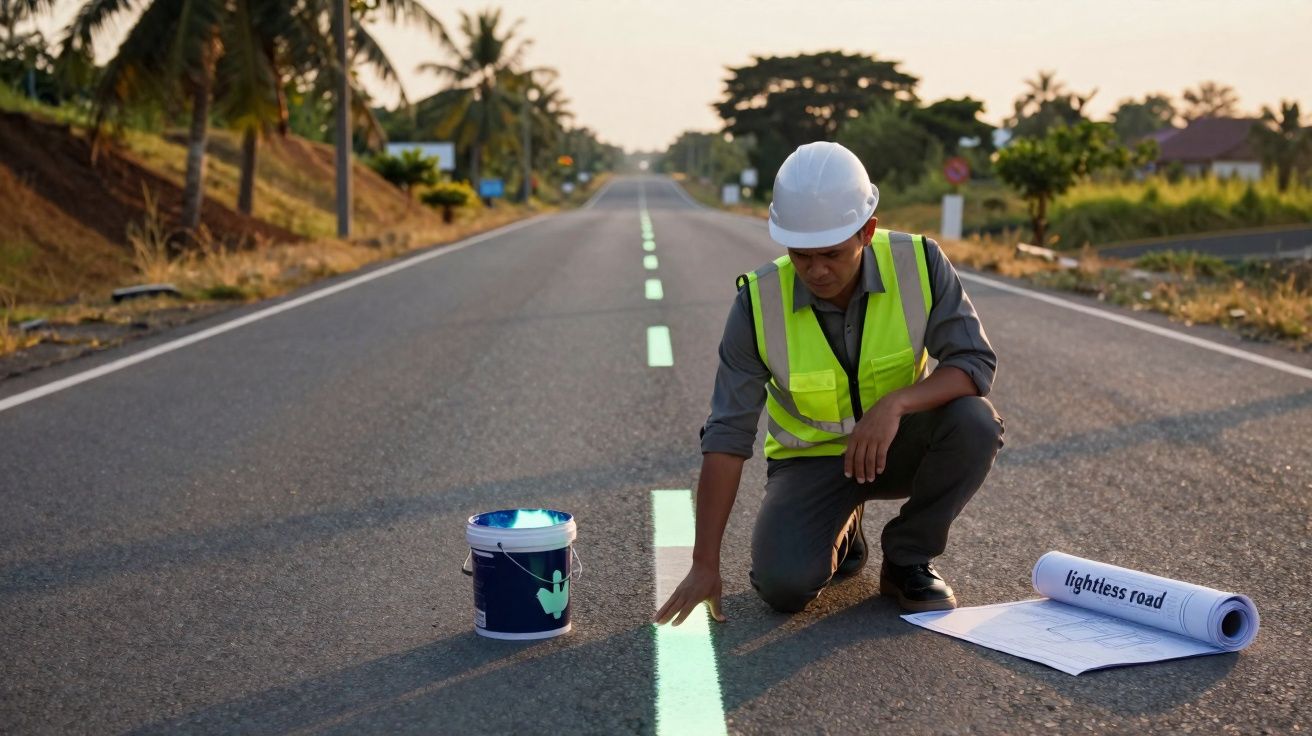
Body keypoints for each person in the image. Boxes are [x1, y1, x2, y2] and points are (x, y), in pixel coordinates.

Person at [654, 141, 1003, 626]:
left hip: (898, 446)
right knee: (783, 587)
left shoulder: (919, 263)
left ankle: (907, 559)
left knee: (974, 422)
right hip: (811, 464)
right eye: (801, 255)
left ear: (868, 230)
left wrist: (897, 404)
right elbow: (727, 438)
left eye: (832, 254)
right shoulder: (757, 305)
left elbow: (974, 363)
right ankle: (843, 530)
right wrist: (704, 563)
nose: (816, 270)